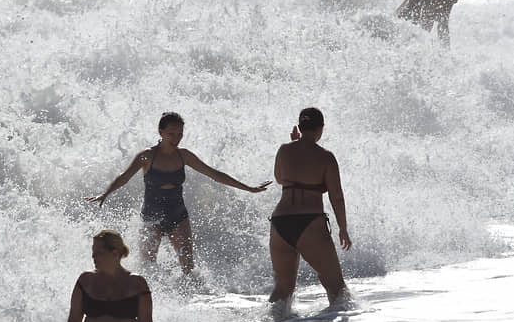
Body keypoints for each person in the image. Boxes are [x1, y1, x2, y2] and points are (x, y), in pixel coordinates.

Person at [88, 112, 271, 275]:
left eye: (180, 134)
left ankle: (190, 304)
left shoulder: (184, 156)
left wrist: (249, 188)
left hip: (178, 215)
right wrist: (105, 193)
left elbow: (214, 174)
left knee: (188, 269)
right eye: (171, 134)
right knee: (148, 268)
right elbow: (124, 177)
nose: (176, 138)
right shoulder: (147, 156)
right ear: (160, 132)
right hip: (152, 217)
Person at [268, 108, 351, 307]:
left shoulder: (284, 150)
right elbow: (336, 197)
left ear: (300, 127)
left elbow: (280, 179)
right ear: (320, 128)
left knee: (282, 291)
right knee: (337, 289)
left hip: (280, 224)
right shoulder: (326, 157)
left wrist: (295, 144)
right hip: (309, 223)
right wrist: (343, 228)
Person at [395, 0, 466, 47]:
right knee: (410, 31)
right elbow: (443, 27)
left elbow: (443, 26)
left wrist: (446, 49)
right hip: (413, 4)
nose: (456, 1)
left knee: (424, 29)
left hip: (415, 3)